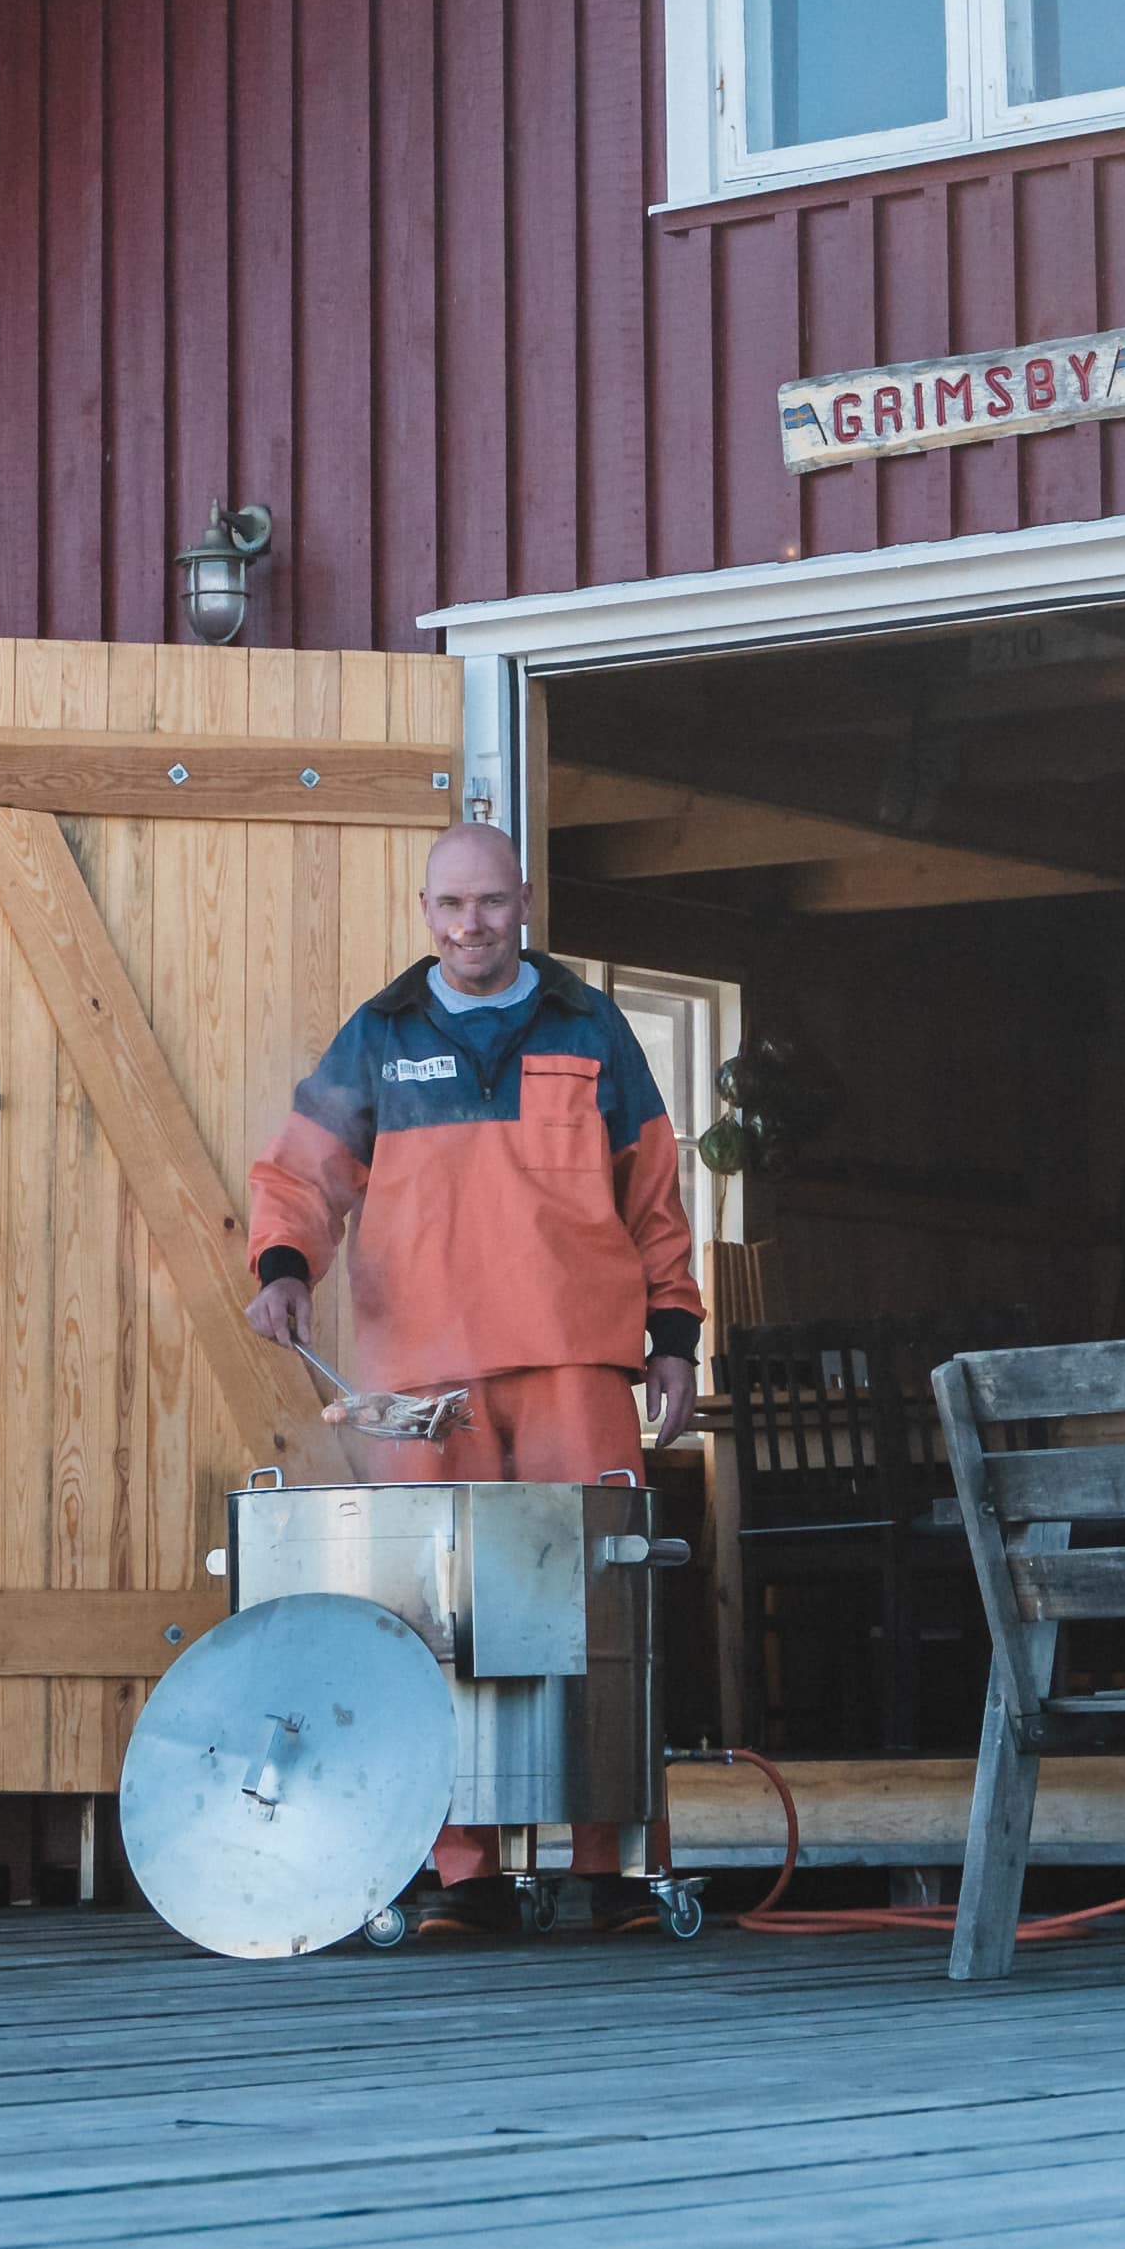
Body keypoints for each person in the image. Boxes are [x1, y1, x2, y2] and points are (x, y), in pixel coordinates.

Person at [246, 821, 700, 1917]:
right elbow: (302, 1174)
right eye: (449, 905)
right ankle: (462, 1870)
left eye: (489, 903)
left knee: (597, 1610)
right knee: (428, 1623)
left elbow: (653, 1199)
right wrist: (281, 1263)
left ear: (524, 901)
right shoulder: (378, 1033)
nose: (469, 925)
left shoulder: (594, 1029)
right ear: (423, 909)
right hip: (420, 1384)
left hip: (574, 1366)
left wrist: (674, 1337)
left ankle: (614, 1865)